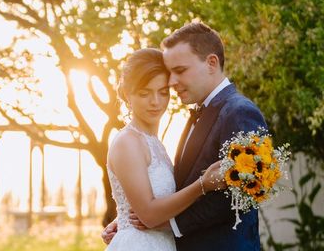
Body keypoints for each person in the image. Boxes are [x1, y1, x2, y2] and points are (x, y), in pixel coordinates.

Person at [102, 22, 267, 251]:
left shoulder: (239, 111)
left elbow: (239, 196)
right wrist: (127, 217)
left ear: (211, 63)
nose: (171, 82)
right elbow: (176, 188)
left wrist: (167, 224)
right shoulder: (197, 115)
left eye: (179, 71)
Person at [102, 47, 224, 250]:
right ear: (127, 94)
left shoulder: (154, 143)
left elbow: (147, 203)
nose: (155, 102)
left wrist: (121, 218)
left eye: (163, 92)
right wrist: (202, 185)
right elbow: (148, 215)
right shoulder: (127, 142)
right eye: (144, 93)